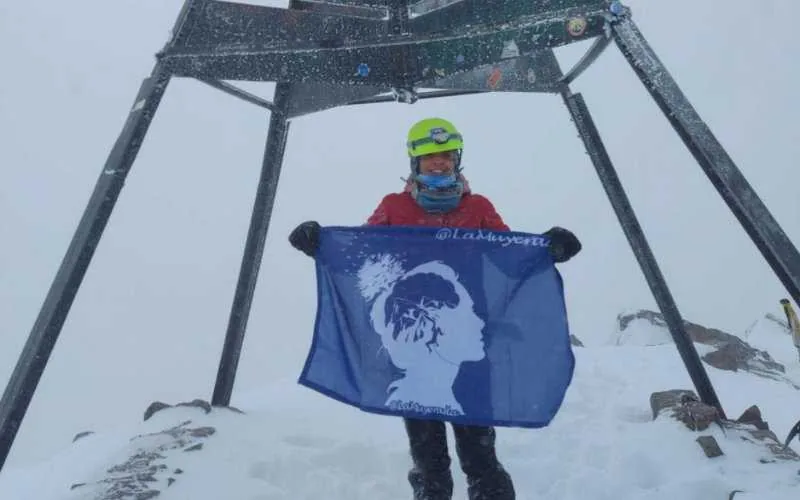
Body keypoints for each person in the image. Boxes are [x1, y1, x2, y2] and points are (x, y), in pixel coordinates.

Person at [288, 117, 582, 500]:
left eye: (445, 155)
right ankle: (432, 492)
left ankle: (488, 492)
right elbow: (365, 253)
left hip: (471, 336)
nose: (439, 163)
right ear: (415, 162)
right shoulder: (394, 206)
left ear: (457, 159)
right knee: (428, 453)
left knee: (478, 447)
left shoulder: (477, 207)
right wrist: (320, 243)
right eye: (430, 157)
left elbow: (509, 255)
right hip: (418, 341)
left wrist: (547, 249)